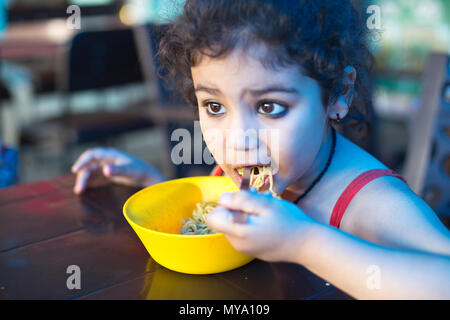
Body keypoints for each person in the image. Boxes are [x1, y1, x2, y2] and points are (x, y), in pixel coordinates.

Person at [72, 0, 450, 299]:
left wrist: (302, 241)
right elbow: (211, 229)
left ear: (339, 93)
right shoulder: (244, 176)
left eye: (269, 107)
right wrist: (152, 188)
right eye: (215, 107)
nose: (238, 140)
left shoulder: (371, 202)